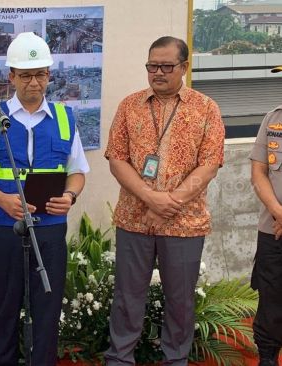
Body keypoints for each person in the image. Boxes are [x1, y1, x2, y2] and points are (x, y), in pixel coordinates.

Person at [0, 32, 89, 365]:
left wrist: (70, 195)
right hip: (4, 227)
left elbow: (77, 171)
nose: (34, 82)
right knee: (5, 305)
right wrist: (2, 199)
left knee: (47, 307)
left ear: (49, 75)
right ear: (11, 77)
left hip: (49, 228)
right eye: (26, 75)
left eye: (41, 74)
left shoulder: (64, 117)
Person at [104, 36, 225, 365]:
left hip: (184, 223)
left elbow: (210, 162)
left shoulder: (206, 108)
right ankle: (120, 359)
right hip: (134, 220)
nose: (157, 72)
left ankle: (175, 360)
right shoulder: (129, 105)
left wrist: (170, 202)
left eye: (166, 66)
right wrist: (150, 198)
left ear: (184, 67)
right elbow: (116, 159)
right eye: (151, 66)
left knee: (180, 301)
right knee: (127, 298)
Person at [248, 64, 282, 366]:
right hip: (273, 228)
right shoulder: (272, 119)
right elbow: (259, 173)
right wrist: (277, 211)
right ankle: (268, 357)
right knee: (270, 298)